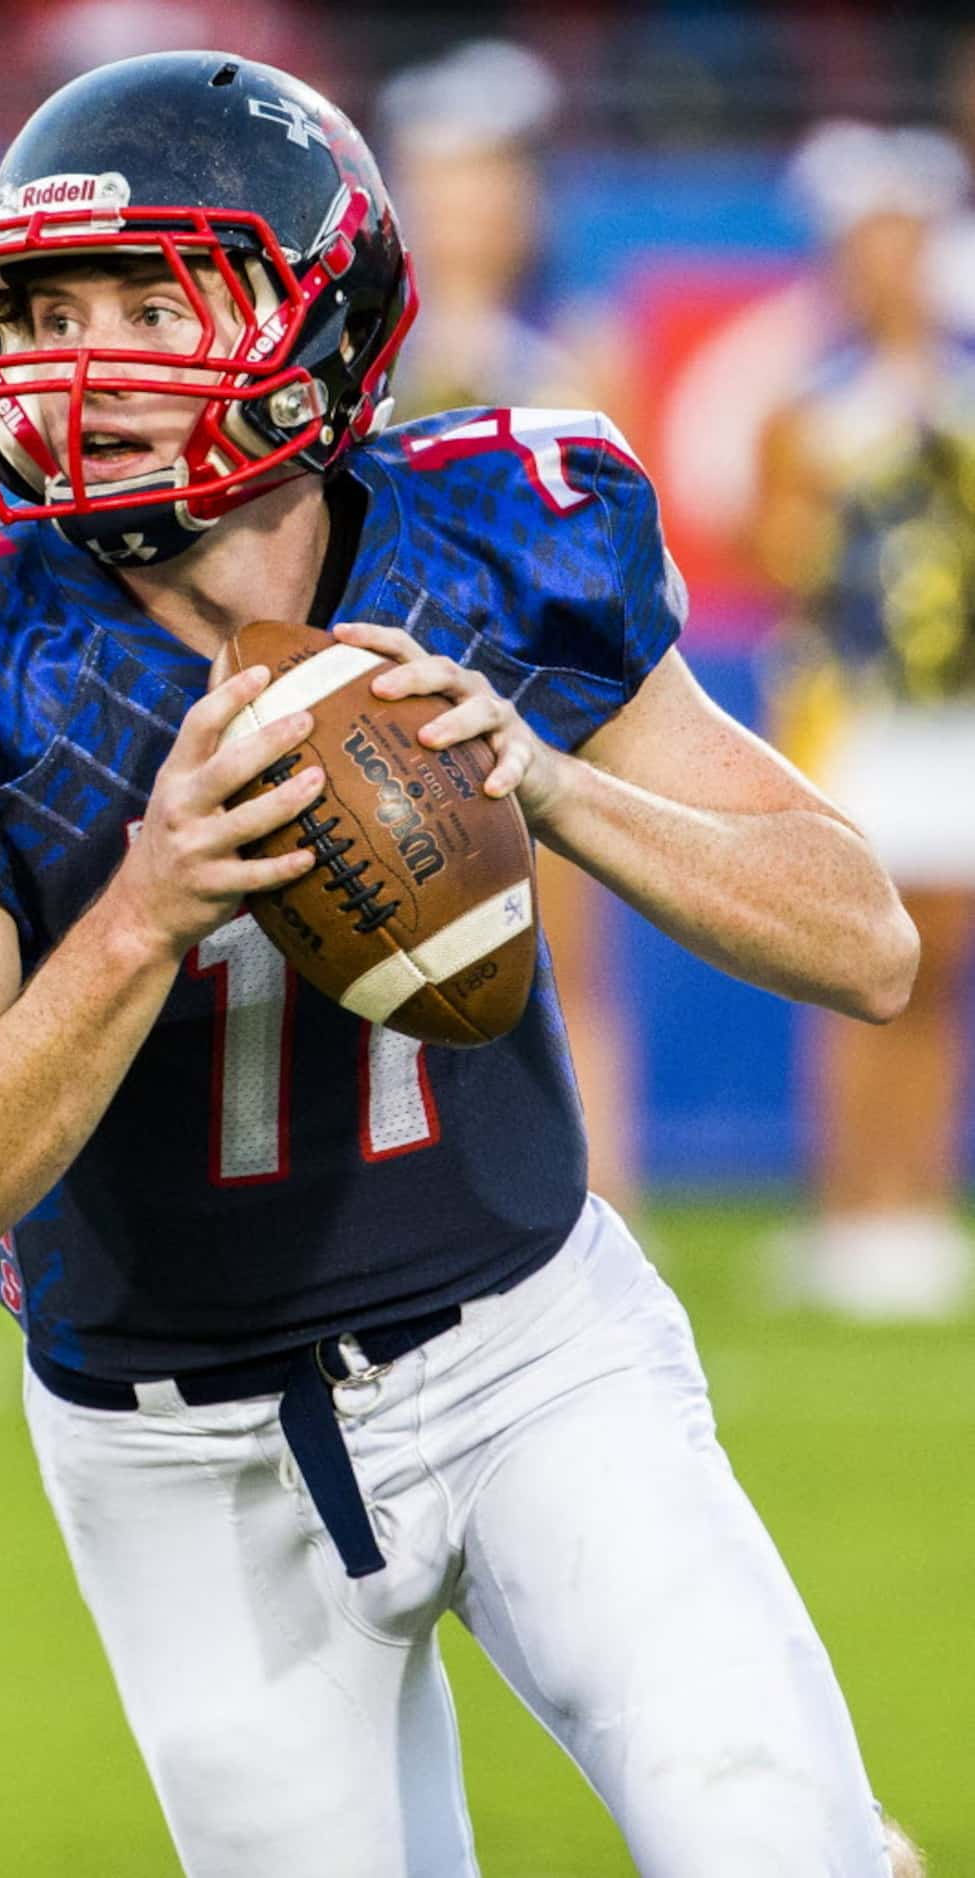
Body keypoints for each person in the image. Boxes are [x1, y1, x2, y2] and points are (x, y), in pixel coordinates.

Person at [0, 51, 924, 1876]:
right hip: (178, 1453)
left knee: (765, 1834)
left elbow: (863, 939)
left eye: (149, 297)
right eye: (47, 305)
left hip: (536, 1343)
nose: (86, 355)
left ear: (321, 322)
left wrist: (545, 783)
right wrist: (145, 908)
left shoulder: (503, 537)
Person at [378, 39, 644, 1216]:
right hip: (386, 697)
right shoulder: (375, 350)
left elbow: (618, 541)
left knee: (567, 954)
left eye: (483, 181)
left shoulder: (576, 350)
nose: (463, 208)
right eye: (439, 182)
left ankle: (605, 1204)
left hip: (537, 689)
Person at [754, 119, 975, 1320]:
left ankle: (919, 1206)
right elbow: (775, 547)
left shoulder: (965, 386)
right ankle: (849, 1207)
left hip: (957, 711)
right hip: (860, 710)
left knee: (944, 959)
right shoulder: (816, 402)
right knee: (856, 958)